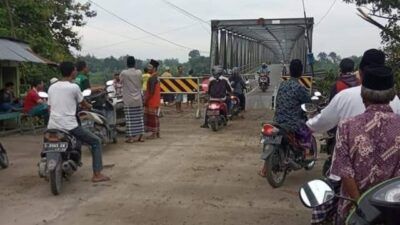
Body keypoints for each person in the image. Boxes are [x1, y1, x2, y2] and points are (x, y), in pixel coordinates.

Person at [330, 65, 400, 224]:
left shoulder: (347, 125)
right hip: (393, 210)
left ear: (363, 96)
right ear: (392, 95)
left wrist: (361, 205)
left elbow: (344, 171)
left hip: (355, 210)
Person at [307, 49, 400, 133]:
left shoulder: (344, 96)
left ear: (359, 72)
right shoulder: (395, 99)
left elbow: (324, 120)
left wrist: (308, 125)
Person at [47, 61, 110, 183]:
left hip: (52, 125)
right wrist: (89, 107)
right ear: (72, 72)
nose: (76, 71)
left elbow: (50, 108)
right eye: (75, 70)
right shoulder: (74, 87)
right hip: (70, 126)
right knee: (96, 142)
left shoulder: (52, 87)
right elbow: (83, 103)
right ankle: (97, 174)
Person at [258, 59, 311, 177]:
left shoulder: (282, 84)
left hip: (277, 120)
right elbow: (308, 102)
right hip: (292, 122)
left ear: (289, 71)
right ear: (301, 72)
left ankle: (264, 168)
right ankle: (305, 152)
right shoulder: (300, 88)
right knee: (307, 128)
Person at [120, 56, 145, 143]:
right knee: (139, 119)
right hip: (138, 99)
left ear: (127, 64)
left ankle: (130, 138)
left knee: (129, 119)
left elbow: (120, 82)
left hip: (128, 99)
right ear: (135, 63)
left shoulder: (124, 73)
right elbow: (141, 82)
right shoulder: (139, 72)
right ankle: (141, 137)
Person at [144, 59, 161, 139]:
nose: (148, 69)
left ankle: (153, 133)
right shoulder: (156, 76)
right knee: (155, 117)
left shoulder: (152, 78)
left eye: (150, 67)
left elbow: (151, 91)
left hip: (152, 101)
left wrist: (146, 100)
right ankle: (157, 132)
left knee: (152, 118)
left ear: (154, 68)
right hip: (156, 100)